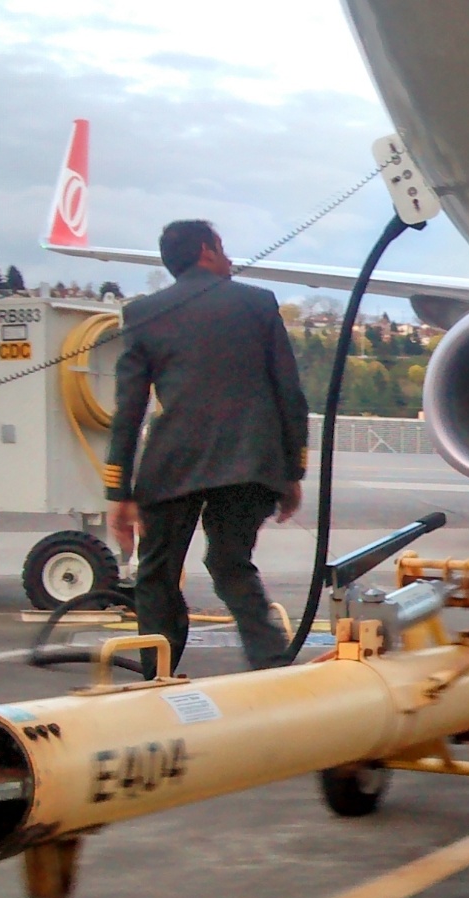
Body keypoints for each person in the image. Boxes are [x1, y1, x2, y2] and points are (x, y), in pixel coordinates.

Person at [105, 220, 309, 674]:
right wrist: (292, 470)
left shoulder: (144, 314)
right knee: (230, 563)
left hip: (172, 465)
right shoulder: (258, 304)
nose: (230, 258)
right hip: (250, 463)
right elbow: (289, 393)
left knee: (156, 575)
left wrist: (117, 491)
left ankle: (156, 676)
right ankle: (272, 666)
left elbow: (129, 410)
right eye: (223, 247)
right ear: (206, 251)